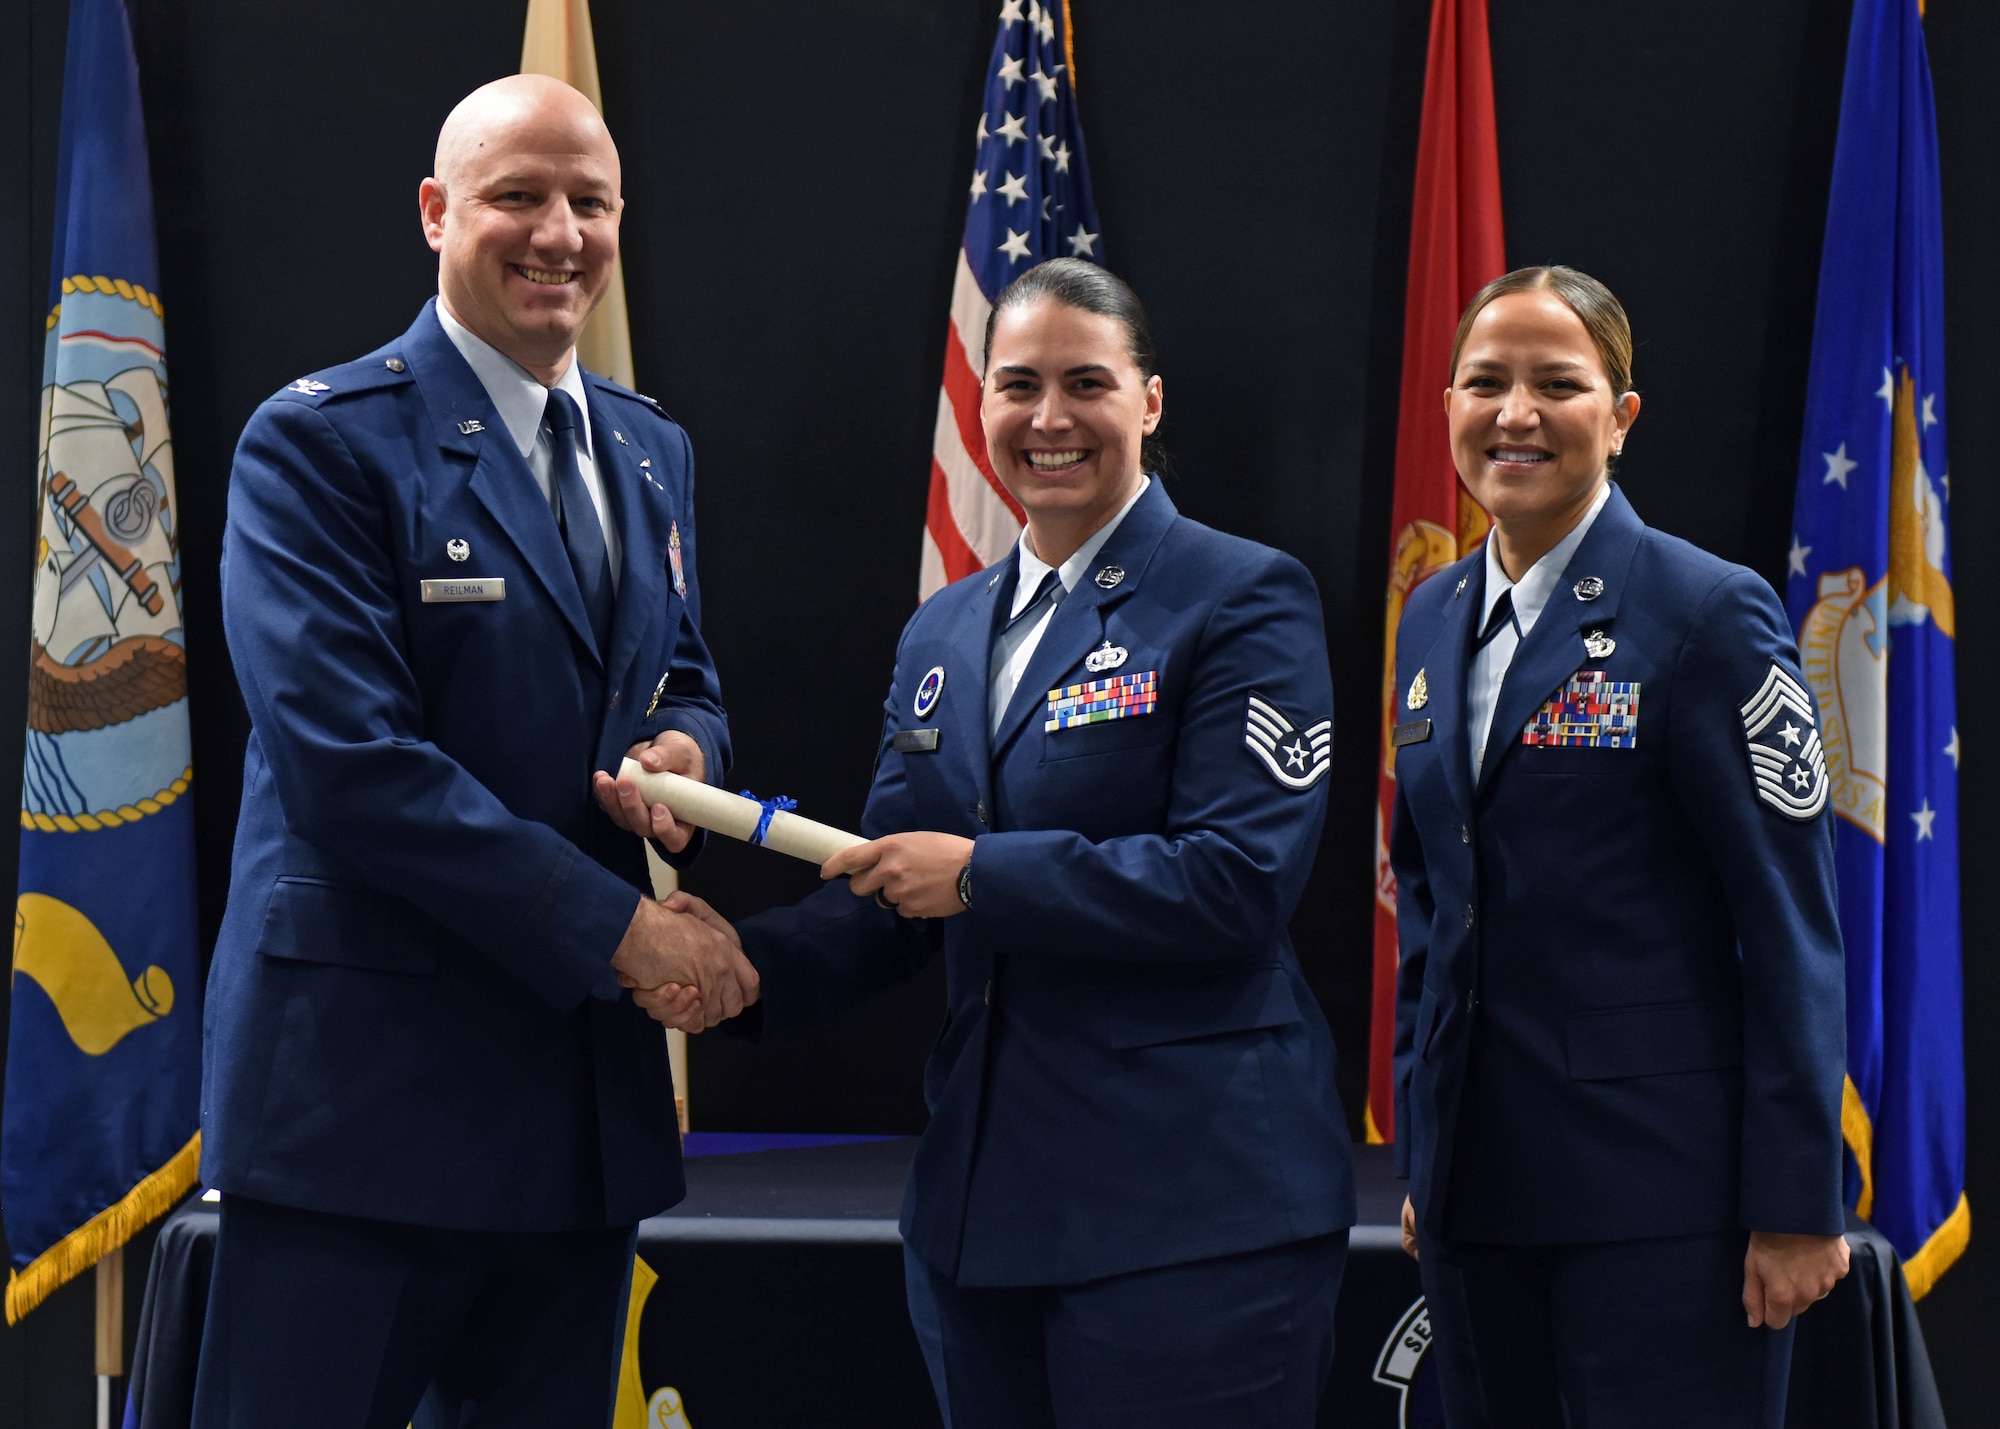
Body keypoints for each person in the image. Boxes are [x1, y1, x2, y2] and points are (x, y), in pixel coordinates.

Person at [606, 257, 1356, 1428]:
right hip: (979, 1216)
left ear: (1146, 403)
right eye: (1016, 385)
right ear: (980, 406)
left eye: (1084, 383)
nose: (1047, 418)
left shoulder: (1241, 596)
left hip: (1193, 1214)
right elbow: (883, 887)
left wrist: (974, 873)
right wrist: (740, 973)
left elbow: (1235, 881)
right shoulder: (942, 629)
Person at [193, 75, 758, 1428]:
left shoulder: (647, 447)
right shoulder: (322, 444)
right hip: (362, 1106)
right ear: (439, 212)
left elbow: (681, 666)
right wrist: (629, 933)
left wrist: (684, 740)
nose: (559, 231)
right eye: (519, 196)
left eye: (590, 201)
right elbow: (352, 766)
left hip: (573, 1118)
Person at [1388, 265, 1848, 1427]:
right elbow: (1435, 905)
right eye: (1484, 382)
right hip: (1472, 1191)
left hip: (1659, 1198)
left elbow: (1785, 919)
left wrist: (1797, 1198)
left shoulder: (1703, 612)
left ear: (1619, 415)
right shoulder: (1431, 613)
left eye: (1557, 383)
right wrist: (1422, 1146)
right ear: (1445, 404)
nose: (1515, 413)